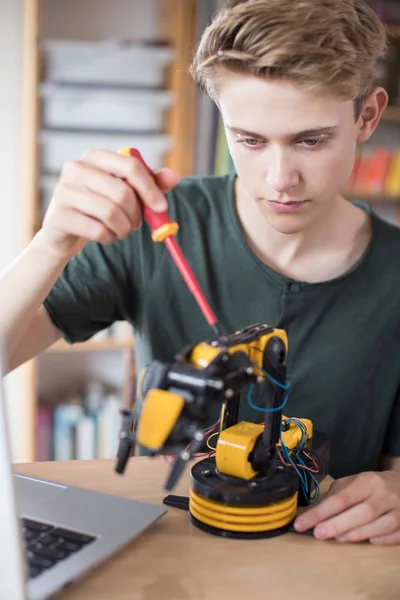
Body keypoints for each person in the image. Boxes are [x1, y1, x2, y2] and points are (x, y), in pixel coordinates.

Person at [2, 0, 400, 544]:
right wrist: (50, 244)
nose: (280, 178)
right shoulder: (157, 226)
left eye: (311, 140)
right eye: (250, 140)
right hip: (163, 554)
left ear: (367, 117)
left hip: (328, 562)